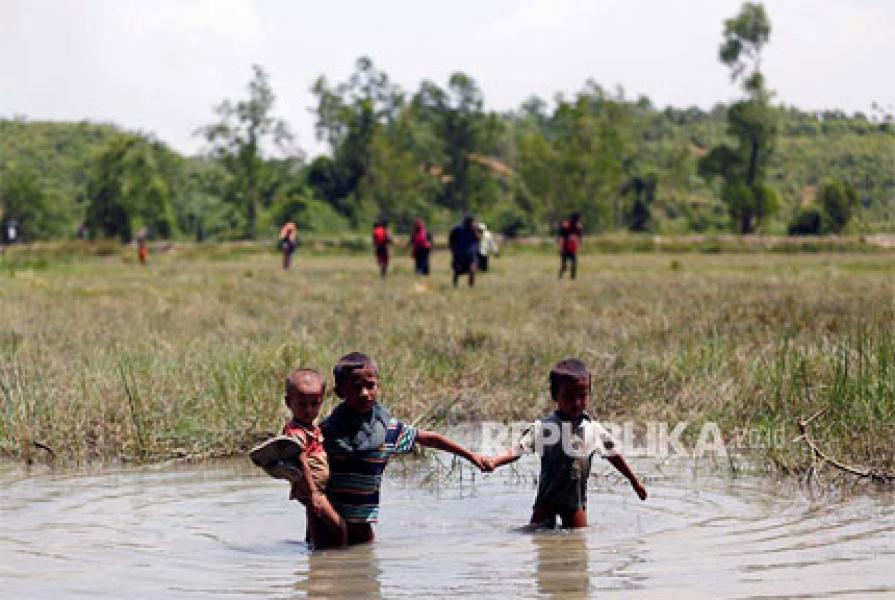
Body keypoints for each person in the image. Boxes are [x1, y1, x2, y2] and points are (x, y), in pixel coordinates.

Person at [320, 352, 489, 546]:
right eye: (356, 387)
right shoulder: (327, 432)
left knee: (365, 568)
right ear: (340, 392)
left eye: (370, 385)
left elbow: (430, 439)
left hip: (363, 526)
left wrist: (471, 456)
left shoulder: (389, 430)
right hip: (328, 524)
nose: (365, 393)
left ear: (378, 386)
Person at [485, 358, 647, 528]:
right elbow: (517, 450)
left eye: (582, 396)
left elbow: (614, 455)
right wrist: (494, 462)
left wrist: (634, 481)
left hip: (574, 502)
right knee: (537, 537)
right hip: (546, 500)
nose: (577, 403)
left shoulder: (593, 430)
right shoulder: (544, 428)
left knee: (578, 542)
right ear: (555, 396)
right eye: (569, 397)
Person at [250, 368, 348, 548]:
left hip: (317, 489)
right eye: (302, 404)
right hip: (312, 489)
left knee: (315, 527)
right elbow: (301, 459)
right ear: (289, 402)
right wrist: (314, 494)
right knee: (339, 527)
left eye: (315, 404)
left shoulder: (311, 427)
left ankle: (314, 558)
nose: (309, 410)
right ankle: (340, 561)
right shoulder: (296, 432)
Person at [448, 215, 479, 288]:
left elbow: (478, 239)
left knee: (472, 270)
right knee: (458, 271)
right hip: (460, 254)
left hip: (470, 254)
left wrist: (475, 229)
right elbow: (451, 239)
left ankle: (471, 285)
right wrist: (453, 249)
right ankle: (455, 285)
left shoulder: (473, 230)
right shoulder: (458, 229)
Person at [557, 213, 583, 280]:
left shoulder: (578, 226)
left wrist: (580, 244)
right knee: (564, 267)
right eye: (578, 219)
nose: (578, 221)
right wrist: (560, 248)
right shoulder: (566, 225)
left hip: (573, 249)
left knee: (574, 264)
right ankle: (559, 277)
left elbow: (580, 237)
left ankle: (572, 279)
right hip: (564, 248)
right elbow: (560, 237)